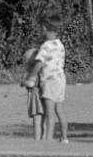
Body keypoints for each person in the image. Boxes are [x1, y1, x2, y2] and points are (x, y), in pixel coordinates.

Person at [23, 12, 69, 142]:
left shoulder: (46, 46)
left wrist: (31, 77)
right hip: (60, 79)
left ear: (45, 28)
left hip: (50, 80)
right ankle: (64, 137)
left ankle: (48, 139)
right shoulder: (60, 44)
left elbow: (40, 63)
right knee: (59, 110)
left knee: (49, 112)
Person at [19, 47, 44, 140]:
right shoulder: (39, 74)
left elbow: (27, 84)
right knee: (42, 119)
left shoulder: (31, 75)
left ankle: (37, 138)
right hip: (41, 97)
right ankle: (43, 137)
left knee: (37, 119)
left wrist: (24, 81)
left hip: (35, 99)